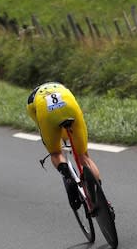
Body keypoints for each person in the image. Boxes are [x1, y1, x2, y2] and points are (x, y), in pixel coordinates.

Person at [26, 82, 101, 210]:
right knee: (83, 155)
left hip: (46, 111)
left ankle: (67, 175)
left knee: (55, 153)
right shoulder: (63, 88)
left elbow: (41, 124)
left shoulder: (31, 101)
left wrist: (58, 140)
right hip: (69, 104)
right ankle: (100, 196)